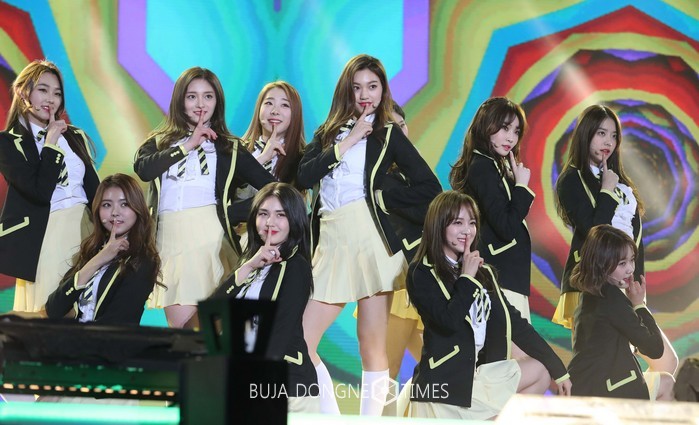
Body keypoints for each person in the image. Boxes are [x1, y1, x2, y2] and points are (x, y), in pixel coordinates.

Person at [297, 54, 441, 415]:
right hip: (330, 242)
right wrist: (346, 142)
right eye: (357, 87)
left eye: (372, 87)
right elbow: (303, 176)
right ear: (346, 90)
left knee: (372, 347)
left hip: (372, 242)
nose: (365, 95)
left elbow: (429, 187)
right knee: (299, 341)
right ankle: (330, 418)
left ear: (383, 90)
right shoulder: (327, 134)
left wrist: (381, 197)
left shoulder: (389, 134)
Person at [405, 191, 571, 420]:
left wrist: (560, 371)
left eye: (472, 223)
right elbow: (448, 321)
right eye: (458, 223)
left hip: (479, 377)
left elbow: (517, 324)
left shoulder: (484, 273)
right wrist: (466, 278)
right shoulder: (421, 273)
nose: (467, 230)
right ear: (439, 225)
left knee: (541, 370)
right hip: (446, 383)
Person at [134, 67, 273, 329]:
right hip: (171, 243)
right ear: (179, 100)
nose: (200, 104)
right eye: (192, 96)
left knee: (218, 331)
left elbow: (272, 190)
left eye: (208, 96)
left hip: (213, 243)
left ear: (217, 101)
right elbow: (144, 169)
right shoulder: (159, 143)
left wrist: (230, 214)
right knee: (185, 331)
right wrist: (187, 145)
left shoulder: (229, 147)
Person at [552, 104, 677, 374]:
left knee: (665, 362)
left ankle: (643, 398)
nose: (608, 142)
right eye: (601, 133)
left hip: (626, 284)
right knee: (603, 368)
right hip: (594, 285)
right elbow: (595, 231)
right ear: (586, 134)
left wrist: (637, 288)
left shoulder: (622, 183)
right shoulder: (572, 180)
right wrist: (606, 191)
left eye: (613, 135)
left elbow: (633, 239)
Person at [0, 59, 100, 314]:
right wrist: (51, 144)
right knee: (54, 312)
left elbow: (94, 192)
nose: (51, 99)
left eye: (57, 93)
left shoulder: (75, 136)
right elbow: (40, 192)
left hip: (86, 231)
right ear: (23, 92)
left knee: (88, 311)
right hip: (46, 236)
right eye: (43, 90)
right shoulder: (8, 143)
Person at [211, 182, 318, 413]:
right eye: (263, 214)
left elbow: (280, 331)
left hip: (285, 388)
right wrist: (248, 266)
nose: (270, 222)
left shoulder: (296, 266)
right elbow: (213, 313)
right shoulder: (250, 262)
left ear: (294, 220)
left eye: (281, 215)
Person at [449, 97, 533, 325]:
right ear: (486, 125)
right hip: (499, 273)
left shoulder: (491, 164)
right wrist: (521, 188)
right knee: (513, 343)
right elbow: (506, 226)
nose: (511, 138)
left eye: (516, 131)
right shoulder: (483, 167)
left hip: (504, 274)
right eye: (505, 128)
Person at [567, 225, 675, 400]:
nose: (630, 269)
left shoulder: (591, 293)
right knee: (667, 382)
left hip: (587, 387)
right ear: (602, 263)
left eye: (632, 260)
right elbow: (655, 348)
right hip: (605, 389)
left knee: (663, 378)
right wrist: (639, 305)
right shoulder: (611, 297)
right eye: (622, 263)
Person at [45, 174, 160, 324]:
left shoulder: (142, 260)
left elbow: (116, 324)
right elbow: (53, 309)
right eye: (106, 205)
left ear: (137, 209)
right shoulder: (92, 251)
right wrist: (98, 260)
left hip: (101, 338)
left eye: (124, 204)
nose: (115, 212)